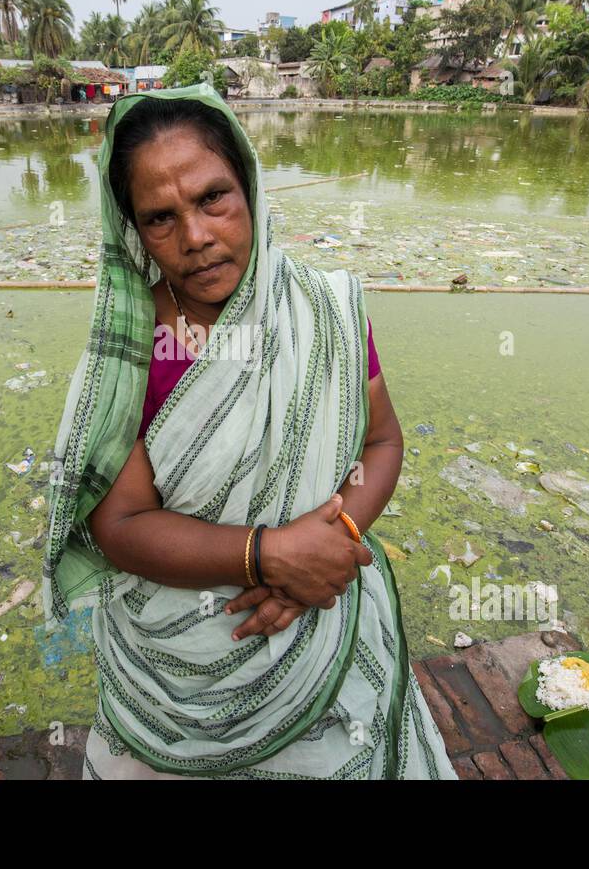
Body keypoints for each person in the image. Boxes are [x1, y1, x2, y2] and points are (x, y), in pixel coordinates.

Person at [44, 83, 457, 780]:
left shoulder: (321, 310)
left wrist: (325, 551)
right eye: (160, 217)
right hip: (182, 675)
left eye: (213, 198)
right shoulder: (134, 349)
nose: (196, 237)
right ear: (133, 230)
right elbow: (119, 523)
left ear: (251, 187)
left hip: (320, 620)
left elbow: (382, 444)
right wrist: (269, 555)